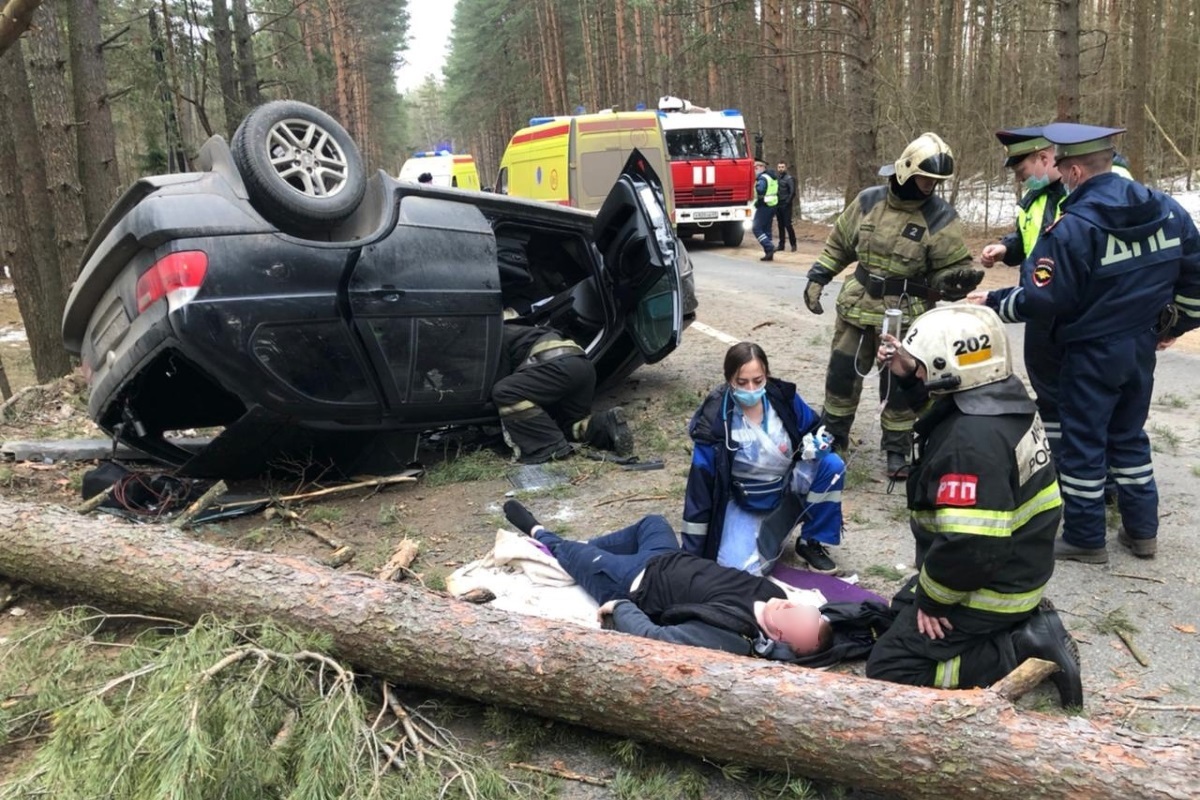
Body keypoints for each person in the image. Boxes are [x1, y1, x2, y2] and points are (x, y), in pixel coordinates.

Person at [978, 123, 1200, 564]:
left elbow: (1047, 298)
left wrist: (994, 303)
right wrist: (1175, 324)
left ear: (1075, 171)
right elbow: (1194, 279)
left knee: (1083, 439)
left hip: (1090, 350)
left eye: (1061, 166)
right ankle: (1142, 533)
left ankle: (1084, 537)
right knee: (1129, 436)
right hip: (1139, 348)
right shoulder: (1170, 210)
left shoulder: (1073, 226)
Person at [865, 304, 1082, 708]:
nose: (916, 369)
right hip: (1018, 562)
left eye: (921, 366)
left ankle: (1019, 648)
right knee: (897, 611)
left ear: (949, 366)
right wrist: (908, 379)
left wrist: (935, 600)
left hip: (994, 583)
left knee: (889, 668)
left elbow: (971, 544)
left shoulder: (970, 444)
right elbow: (939, 409)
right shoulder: (997, 397)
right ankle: (1015, 626)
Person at [802, 132, 982, 479]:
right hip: (857, 306)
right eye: (925, 178)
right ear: (906, 170)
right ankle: (834, 437)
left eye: (936, 182)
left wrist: (952, 282)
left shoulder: (940, 216)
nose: (930, 186)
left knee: (901, 382)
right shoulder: (869, 200)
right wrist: (818, 276)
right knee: (841, 374)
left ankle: (897, 449)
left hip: (906, 315)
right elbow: (840, 243)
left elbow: (950, 265)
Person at [501, 501, 833, 660]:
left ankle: (542, 535)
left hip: (632, 582)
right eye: (806, 610)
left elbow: (655, 636)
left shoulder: (733, 632)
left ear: (778, 636)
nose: (794, 604)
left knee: (564, 549)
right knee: (653, 521)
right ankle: (588, 552)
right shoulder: (773, 591)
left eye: (797, 619)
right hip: (667, 555)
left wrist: (619, 606)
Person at [683, 342, 845, 575]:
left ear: (767, 375)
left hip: (785, 485)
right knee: (738, 573)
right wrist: (691, 558)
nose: (751, 389)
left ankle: (812, 541)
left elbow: (813, 428)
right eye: (742, 382)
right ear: (729, 380)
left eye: (758, 381)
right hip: (742, 499)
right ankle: (766, 531)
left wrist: (818, 444)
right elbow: (700, 488)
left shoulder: (783, 399)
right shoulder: (715, 420)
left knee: (832, 466)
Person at [974, 127, 1069, 457]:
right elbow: (1028, 240)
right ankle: (1059, 465)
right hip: (1040, 312)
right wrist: (1004, 248)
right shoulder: (1035, 198)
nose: (1020, 180)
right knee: (1049, 393)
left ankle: (1099, 477)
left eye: (1022, 172)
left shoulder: (1083, 192)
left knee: (1084, 395)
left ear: (1044, 157)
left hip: (1073, 311)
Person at [493, 322, 632, 464]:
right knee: (571, 426)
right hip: (583, 365)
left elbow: (497, 377)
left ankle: (549, 446)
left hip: (557, 367)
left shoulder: (493, 334)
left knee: (505, 392)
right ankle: (606, 424)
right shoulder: (518, 328)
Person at [751, 159, 779, 261]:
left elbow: (761, 190)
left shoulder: (762, 178)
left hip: (764, 204)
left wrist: (758, 200)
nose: (755, 169)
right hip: (773, 204)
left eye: (756, 167)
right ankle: (769, 253)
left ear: (762, 167)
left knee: (756, 228)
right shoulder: (772, 177)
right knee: (766, 229)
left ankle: (769, 246)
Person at [775, 161, 797, 252]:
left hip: (786, 205)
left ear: (785, 168)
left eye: (782, 167)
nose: (781, 169)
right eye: (779, 167)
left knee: (788, 225)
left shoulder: (789, 179)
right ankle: (781, 245)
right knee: (780, 225)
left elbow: (792, 192)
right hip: (777, 204)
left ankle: (793, 244)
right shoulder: (776, 179)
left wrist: (787, 202)